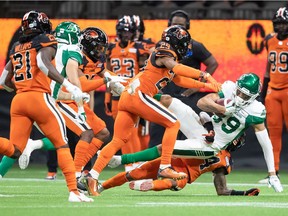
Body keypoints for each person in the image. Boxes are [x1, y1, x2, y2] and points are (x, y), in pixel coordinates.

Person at [80, 25, 221, 196]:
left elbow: (179, 79)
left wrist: (205, 85)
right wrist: (204, 75)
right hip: (139, 94)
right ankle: (165, 167)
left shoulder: (168, 56)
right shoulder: (165, 51)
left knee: (118, 140)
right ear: (176, 42)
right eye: (184, 43)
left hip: (130, 95)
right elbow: (175, 68)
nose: (186, 47)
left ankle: (92, 177)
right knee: (173, 123)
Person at [0, 11, 92, 202]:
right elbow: (42, 64)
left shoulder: (17, 47)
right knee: (62, 143)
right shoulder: (45, 39)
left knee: (14, 149)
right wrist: (69, 87)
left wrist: (18, 87)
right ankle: (74, 192)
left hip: (18, 100)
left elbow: (3, 81)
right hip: (38, 97)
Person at [149, 9, 219, 147]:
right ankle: (150, 165)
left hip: (184, 96)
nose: (178, 29)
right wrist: (202, 76)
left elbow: (212, 63)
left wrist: (196, 86)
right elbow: (175, 69)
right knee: (157, 133)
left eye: (182, 26)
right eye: (175, 25)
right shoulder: (162, 46)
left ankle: (175, 166)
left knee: (183, 136)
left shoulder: (195, 45)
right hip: (162, 94)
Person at [105, 15, 151, 171]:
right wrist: (107, 96)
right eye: (123, 31)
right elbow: (108, 71)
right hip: (116, 94)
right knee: (121, 133)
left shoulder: (139, 48)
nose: (126, 35)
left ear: (133, 32)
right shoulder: (110, 48)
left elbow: (146, 71)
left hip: (132, 92)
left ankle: (135, 162)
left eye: (128, 32)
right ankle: (130, 164)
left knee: (131, 131)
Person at [258, 7, 288, 183]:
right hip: (273, 92)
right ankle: (273, 171)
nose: (281, 27)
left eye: (284, 23)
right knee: (273, 134)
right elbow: (268, 67)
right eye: (279, 23)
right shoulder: (269, 40)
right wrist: (263, 92)